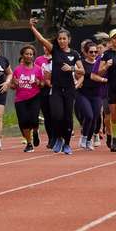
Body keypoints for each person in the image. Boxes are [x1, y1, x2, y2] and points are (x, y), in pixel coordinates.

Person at [30, 19, 84, 155]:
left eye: (64, 39)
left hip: (70, 89)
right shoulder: (54, 51)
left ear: (69, 40)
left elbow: (82, 71)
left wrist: (71, 68)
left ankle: (66, 143)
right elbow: (42, 39)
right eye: (59, 39)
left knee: (67, 117)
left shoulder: (74, 54)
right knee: (56, 115)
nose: (61, 41)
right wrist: (31, 27)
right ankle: (58, 138)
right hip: (56, 89)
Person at [11, 45, 43, 152]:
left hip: (35, 97)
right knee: (24, 121)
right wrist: (14, 84)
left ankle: (35, 131)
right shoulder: (17, 70)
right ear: (22, 55)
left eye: (31, 54)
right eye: (26, 54)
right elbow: (12, 86)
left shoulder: (38, 69)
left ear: (33, 56)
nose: (29, 56)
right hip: (20, 99)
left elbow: (43, 84)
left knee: (34, 119)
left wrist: (38, 82)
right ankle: (29, 143)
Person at [74, 41, 102, 151]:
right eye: (91, 52)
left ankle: (89, 139)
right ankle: (84, 137)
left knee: (94, 118)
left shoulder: (100, 63)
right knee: (89, 116)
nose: (94, 54)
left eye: (96, 52)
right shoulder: (81, 64)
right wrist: (78, 82)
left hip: (97, 94)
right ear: (85, 52)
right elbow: (77, 76)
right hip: (83, 94)